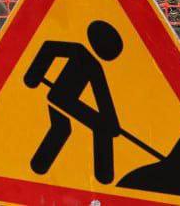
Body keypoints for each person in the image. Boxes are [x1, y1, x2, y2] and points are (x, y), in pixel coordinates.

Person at [24, 20, 125, 184]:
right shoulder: (82, 55)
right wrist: (33, 76)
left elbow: (102, 97)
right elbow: (49, 48)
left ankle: (38, 166)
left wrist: (112, 122)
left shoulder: (93, 65)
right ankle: (104, 175)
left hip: (61, 98)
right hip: (61, 98)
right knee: (94, 127)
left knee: (62, 128)